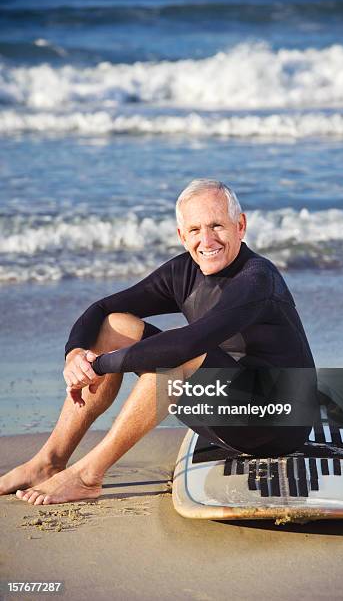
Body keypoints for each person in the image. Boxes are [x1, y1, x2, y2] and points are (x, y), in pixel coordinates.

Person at [0, 179, 317, 506]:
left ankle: (87, 476)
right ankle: (48, 462)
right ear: (181, 236)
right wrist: (75, 355)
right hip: (222, 410)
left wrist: (98, 366)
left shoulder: (256, 279)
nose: (206, 240)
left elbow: (187, 345)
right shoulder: (184, 272)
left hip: (274, 425)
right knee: (114, 325)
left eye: (217, 226)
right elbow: (102, 309)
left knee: (177, 354)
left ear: (241, 226)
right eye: (194, 230)